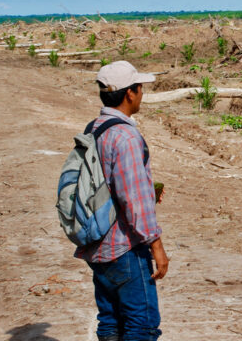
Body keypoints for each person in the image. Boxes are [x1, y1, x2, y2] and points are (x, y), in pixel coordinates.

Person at [76, 60, 169, 341]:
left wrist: (146, 188)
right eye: (140, 88)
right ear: (130, 93)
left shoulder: (95, 127)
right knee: (142, 325)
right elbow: (134, 203)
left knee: (110, 321)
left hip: (96, 245)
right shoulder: (126, 136)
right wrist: (157, 247)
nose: (142, 94)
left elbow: (108, 182)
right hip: (124, 248)